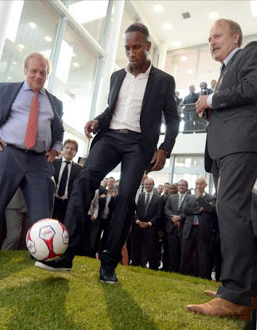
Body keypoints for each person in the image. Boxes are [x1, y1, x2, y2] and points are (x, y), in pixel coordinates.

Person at [35, 23, 180, 284]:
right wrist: (97, 121)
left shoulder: (164, 81)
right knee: (84, 180)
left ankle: (109, 263)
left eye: (137, 47)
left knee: (125, 197)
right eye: (127, 48)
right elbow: (111, 110)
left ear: (148, 46)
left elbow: (172, 118)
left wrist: (164, 148)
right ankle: (67, 254)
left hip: (138, 144)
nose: (132, 52)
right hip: (110, 137)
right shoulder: (117, 76)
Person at [187, 18, 257, 322]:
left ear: (235, 37)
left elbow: (252, 88)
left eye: (217, 36)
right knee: (231, 211)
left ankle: (234, 295)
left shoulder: (252, 52)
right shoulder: (222, 73)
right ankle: (237, 290)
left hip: (241, 143)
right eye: (209, 38)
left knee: (231, 208)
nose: (211, 42)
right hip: (224, 148)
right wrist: (211, 109)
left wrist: (211, 99)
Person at [0, 53, 64, 258]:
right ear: (25, 71)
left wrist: (55, 149)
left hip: (38, 160)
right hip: (6, 152)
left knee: (42, 208)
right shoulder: (5, 89)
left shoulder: (56, 103)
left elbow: (59, 130)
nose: (38, 76)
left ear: (47, 75)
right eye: (33, 71)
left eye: (43, 72)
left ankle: (42, 252)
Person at [180, 177, 216, 278]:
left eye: (200, 184)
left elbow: (210, 209)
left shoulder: (211, 197)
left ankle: (203, 276)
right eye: (196, 184)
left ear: (205, 185)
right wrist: (198, 210)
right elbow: (185, 210)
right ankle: (183, 274)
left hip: (203, 230)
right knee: (186, 252)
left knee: (203, 254)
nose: (198, 186)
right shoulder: (189, 197)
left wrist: (199, 198)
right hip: (189, 228)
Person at [131, 178, 164, 270]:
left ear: (153, 185)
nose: (148, 186)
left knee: (150, 248)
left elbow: (159, 214)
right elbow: (134, 211)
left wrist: (149, 223)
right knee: (136, 246)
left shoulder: (159, 198)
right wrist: (137, 221)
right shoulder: (139, 196)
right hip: (138, 226)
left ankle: (147, 266)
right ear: (144, 185)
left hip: (151, 228)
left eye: (150, 184)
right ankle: (135, 264)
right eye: (146, 184)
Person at [52, 139, 83, 223]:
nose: (69, 150)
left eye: (72, 149)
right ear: (63, 149)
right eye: (67, 147)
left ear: (75, 152)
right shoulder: (53, 162)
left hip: (67, 204)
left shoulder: (80, 169)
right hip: (52, 201)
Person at [164, 180, 189, 273]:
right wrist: (173, 218)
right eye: (180, 185)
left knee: (182, 251)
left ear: (186, 187)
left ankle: (180, 270)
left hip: (183, 228)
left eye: (183, 185)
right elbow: (166, 208)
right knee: (172, 250)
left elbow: (190, 210)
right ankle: (172, 269)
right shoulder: (172, 197)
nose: (181, 187)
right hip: (171, 228)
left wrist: (179, 218)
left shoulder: (191, 198)